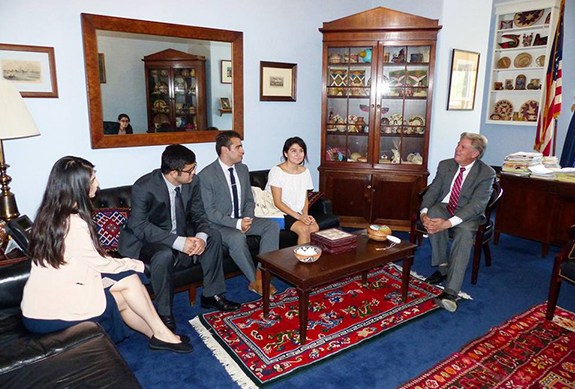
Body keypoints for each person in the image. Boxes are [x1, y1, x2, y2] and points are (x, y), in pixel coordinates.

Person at [21, 156, 192, 353]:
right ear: (78, 186)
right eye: (93, 180)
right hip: (50, 313)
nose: (98, 184)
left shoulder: (52, 213)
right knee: (127, 292)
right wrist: (138, 265)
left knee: (129, 282)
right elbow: (101, 264)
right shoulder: (73, 224)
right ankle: (162, 335)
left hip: (55, 294)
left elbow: (91, 261)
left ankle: (160, 335)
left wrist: (130, 267)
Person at [118, 145, 240, 332]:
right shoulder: (144, 187)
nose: (194, 173)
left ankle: (211, 295)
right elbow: (140, 226)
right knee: (164, 254)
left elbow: (199, 214)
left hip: (182, 232)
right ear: (174, 173)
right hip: (148, 240)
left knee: (213, 236)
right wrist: (179, 242)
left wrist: (200, 238)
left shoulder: (193, 182)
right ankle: (164, 313)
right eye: (190, 170)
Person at [420, 132, 495, 312]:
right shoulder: (446, 165)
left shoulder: (486, 173)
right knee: (433, 212)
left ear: (475, 154)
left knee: (464, 232)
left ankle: (451, 291)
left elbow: (477, 205)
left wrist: (448, 223)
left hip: (468, 214)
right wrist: (423, 213)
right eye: (458, 145)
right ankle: (443, 266)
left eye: (463, 147)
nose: (457, 149)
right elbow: (433, 191)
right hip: (446, 207)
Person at [199, 131, 280, 296]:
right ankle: (255, 282)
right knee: (237, 237)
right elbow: (210, 212)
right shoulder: (206, 175)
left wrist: (247, 219)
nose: (242, 151)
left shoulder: (243, 169)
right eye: (238, 147)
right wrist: (237, 224)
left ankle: (261, 275)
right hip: (219, 225)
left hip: (244, 219)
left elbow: (249, 200)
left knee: (271, 226)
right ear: (225, 150)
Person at [266, 137, 319, 245]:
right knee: (303, 229)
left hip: (296, 212)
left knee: (314, 227)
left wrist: (306, 216)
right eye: (293, 150)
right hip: (277, 212)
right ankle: (303, 259)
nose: (298, 154)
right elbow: (278, 202)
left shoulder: (305, 172)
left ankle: (311, 258)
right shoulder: (277, 171)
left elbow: (304, 198)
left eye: (301, 150)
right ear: (286, 153)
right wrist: (300, 217)